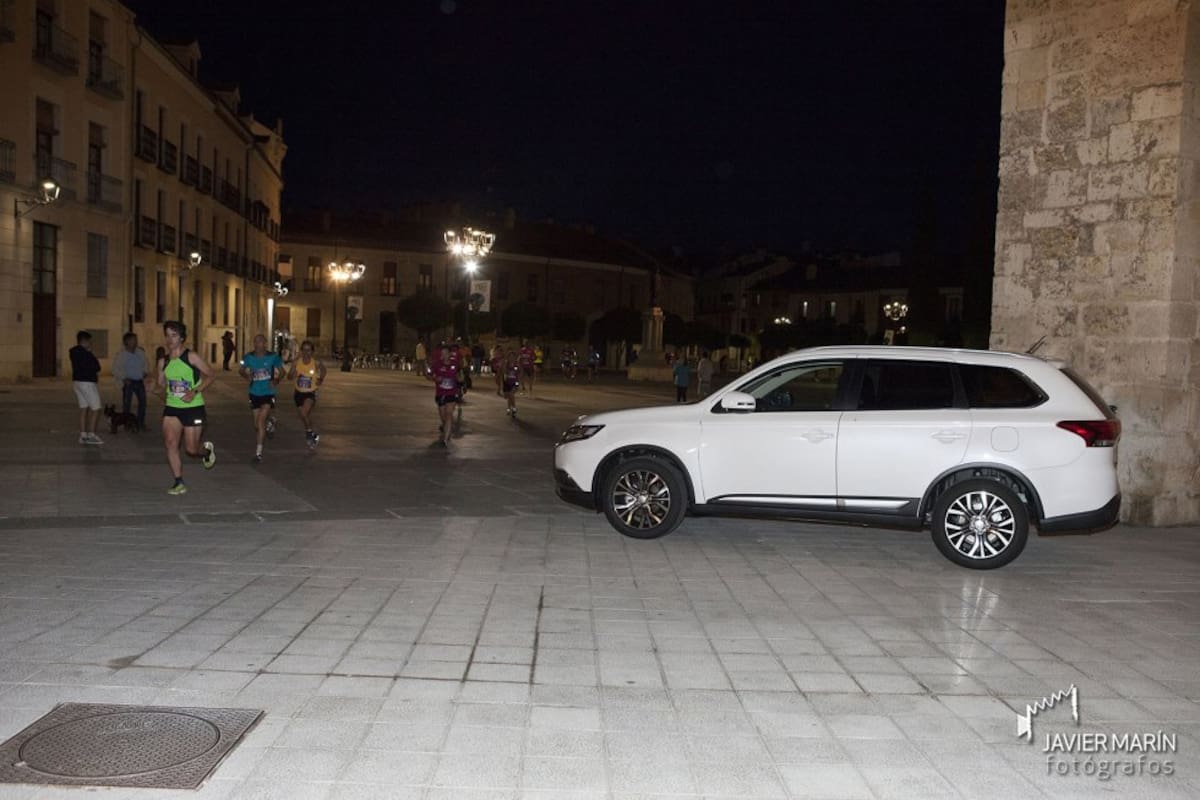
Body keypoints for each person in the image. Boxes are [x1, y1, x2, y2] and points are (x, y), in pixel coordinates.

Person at [156, 320, 216, 494]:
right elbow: (161, 385)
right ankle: (178, 482)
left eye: (174, 335)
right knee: (170, 443)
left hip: (193, 407)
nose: (169, 339)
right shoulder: (163, 361)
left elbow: (211, 375)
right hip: (172, 408)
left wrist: (195, 391)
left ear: (182, 338)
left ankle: (206, 452)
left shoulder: (191, 357)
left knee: (191, 449)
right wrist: (154, 387)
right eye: (167, 335)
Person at [239, 334, 284, 462]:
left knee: (260, 422)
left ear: (265, 343)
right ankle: (271, 421)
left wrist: (276, 380)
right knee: (256, 425)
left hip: (268, 393)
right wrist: (247, 376)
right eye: (255, 342)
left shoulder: (273, 357)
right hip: (254, 392)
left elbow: (282, 372)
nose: (257, 344)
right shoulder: (248, 357)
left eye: (260, 342)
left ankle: (258, 453)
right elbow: (241, 370)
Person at [287, 339, 326, 450]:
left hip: (310, 393)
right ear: (301, 351)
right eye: (304, 350)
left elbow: (324, 370)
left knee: (304, 413)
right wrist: (292, 374)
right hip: (298, 393)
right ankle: (312, 433)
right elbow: (289, 377)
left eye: (308, 350)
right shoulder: (296, 362)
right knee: (304, 417)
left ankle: (309, 434)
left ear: (312, 351)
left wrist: (321, 379)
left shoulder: (316, 362)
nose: (306, 352)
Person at [69, 330, 104, 445]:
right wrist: (90, 353)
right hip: (87, 383)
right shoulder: (85, 353)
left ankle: (83, 435)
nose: (91, 344)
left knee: (83, 408)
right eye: (90, 341)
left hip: (77, 382)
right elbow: (97, 367)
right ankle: (91, 435)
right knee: (96, 409)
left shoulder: (73, 352)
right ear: (84, 341)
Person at [112, 332, 150, 432]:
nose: (135, 342)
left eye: (136, 339)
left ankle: (140, 423)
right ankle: (127, 424)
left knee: (143, 403)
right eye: (133, 340)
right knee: (127, 404)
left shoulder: (140, 353)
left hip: (139, 381)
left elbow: (146, 364)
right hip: (128, 382)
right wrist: (124, 378)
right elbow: (115, 369)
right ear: (127, 342)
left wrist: (145, 372)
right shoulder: (121, 355)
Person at [427, 343, 459, 445]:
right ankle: (446, 427)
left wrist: (460, 380)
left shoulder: (455, 363)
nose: (444, 355)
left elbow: (459, 374)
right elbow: (428, 375)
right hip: (441, 393)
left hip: (452, 393)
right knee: (443, 416)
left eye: (446, 353)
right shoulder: (437, 364)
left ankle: (446, 438)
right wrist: (435, 378)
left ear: (450, 354)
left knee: (449, 414)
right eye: (442, 353)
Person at [502, 348, 521, 417]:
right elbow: (504, 373)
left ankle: (514, 409)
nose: (511, 358)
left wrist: (517, 383)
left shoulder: (517, 365)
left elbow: (518, 374)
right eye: (510, 356)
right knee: (508, 397)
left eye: (513, 357)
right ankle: (508, 408)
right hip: (507, 383)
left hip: (514, 383)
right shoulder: (506, 364)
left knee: (511, 394)